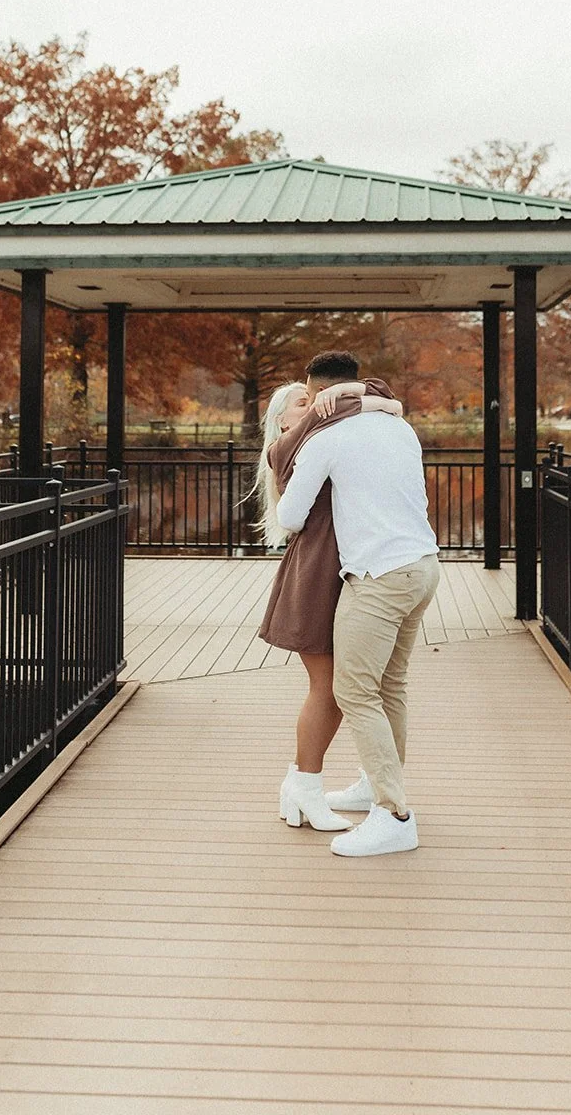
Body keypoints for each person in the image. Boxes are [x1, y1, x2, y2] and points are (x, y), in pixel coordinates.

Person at [276, 353, 440, 858]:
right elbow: (386, 407)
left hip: (378, 577)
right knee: (391, 685)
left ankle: (393, 815)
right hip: (424, 566)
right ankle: (375, 785)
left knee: (354, 691)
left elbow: (289, 515)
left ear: (317, 393)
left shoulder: (325, 440)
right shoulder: (399, 427)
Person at [255, 355, 402, 832]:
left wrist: (355, 392)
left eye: (316, 395)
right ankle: (305, 787)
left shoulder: (326, 431)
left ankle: (307, 787)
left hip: (346, 570)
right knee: (331, 688)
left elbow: (385, 397)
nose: (317, 403)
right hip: (315, 575)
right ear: (283, 418)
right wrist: (346, 398)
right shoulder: (287, 446)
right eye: (303, 401)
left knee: (347, 687)